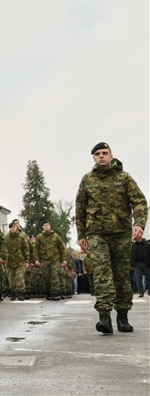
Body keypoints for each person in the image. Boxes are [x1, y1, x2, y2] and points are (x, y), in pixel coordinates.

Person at [76, 142, 147, 334]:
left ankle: (122, 316)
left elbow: (139, 201)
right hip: (97, 234)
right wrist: (81, 235)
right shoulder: (87, 180)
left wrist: (139, 223)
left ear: (111, 156)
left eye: (104, 153)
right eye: (97, 154)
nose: (101, 156)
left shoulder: (124, 178)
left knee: (121, 275)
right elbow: (80, 209)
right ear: (93, 158)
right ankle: (104, 316)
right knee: (102, 272)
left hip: (121, 234)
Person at [34, 220, 67, 301]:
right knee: (46, 276)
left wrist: (63, 260)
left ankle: (56, 293)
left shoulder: (56, 236)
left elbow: (62, 249)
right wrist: (36, 259)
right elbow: (36, 249)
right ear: (42, 227)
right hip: (44, 260)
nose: (46, 226)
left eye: (48, 225)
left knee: (55, 275)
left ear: (50, 226)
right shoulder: (39, 237)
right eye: (45, 225)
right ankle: (48, 292)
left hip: (55, 259)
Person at [0, 221, 30, 300]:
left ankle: (21, 293)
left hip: (20, 261)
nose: (12, 229)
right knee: (11, 278)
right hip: (9, 261)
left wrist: (27, 261)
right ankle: (13, 293)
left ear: (16, 228)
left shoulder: (21, 237)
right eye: (11, 228)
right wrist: (3, 258)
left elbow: (26, 249)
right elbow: (3, 249)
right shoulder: (6, 237)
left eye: (13, 227)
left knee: (19, 278)